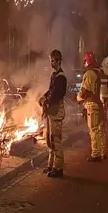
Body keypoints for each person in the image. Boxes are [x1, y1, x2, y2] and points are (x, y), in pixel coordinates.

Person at [38, 50, 67, 178]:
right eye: (50, 60)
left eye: (53, 60)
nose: (51, 62)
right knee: (50, 140)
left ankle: (58, 168)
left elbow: (55, 95)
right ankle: (50, 165)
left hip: (56, 112)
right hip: (51, 111)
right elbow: (50, 91)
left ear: (59, 61)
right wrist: (43, 97)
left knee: (56, 140)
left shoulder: (61, 77)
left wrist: (46, 101)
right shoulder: (54, 75)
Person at [78, 51, 107, 162]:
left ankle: (95, 154)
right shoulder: (99, 71)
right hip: (98, 103)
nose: (84, 63)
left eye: (85, 60)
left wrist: (79, 98)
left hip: (91, 104)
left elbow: (84, 90)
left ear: (87, 60)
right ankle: (103, 151)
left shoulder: (89, 73)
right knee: (100, 129)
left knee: (93, 130)